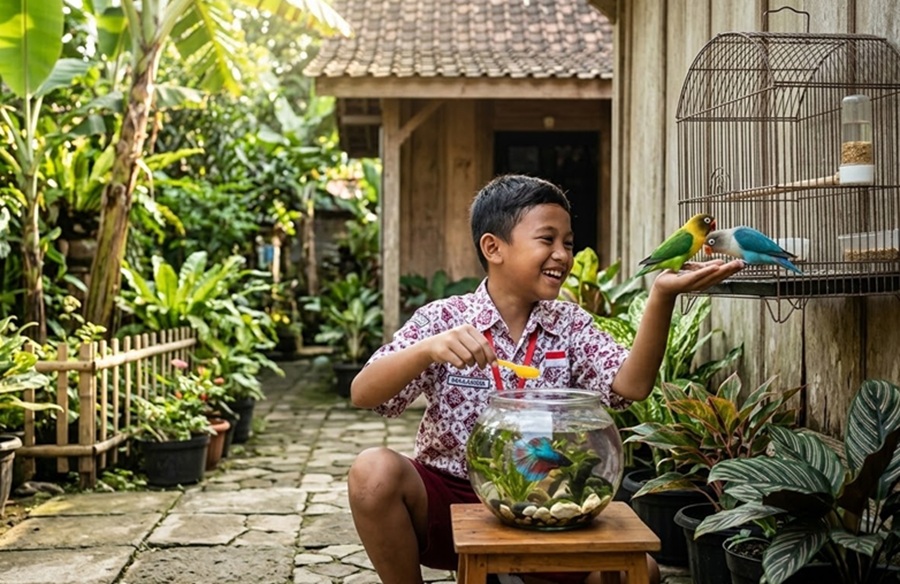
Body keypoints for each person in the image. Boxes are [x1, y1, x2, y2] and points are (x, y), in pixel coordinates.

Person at [347, 174, 744, 584]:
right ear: (493, 247)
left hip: (548, 505)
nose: (562, 255)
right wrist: (426, 349)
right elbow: (363, 393)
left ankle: (519, 575)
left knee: (640, 573)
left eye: (568, 243)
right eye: (547, 239)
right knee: (371, 471)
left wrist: (661, 295)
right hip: (451, 501)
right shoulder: (443, 319)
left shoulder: (570, 324)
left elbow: (632, 386)